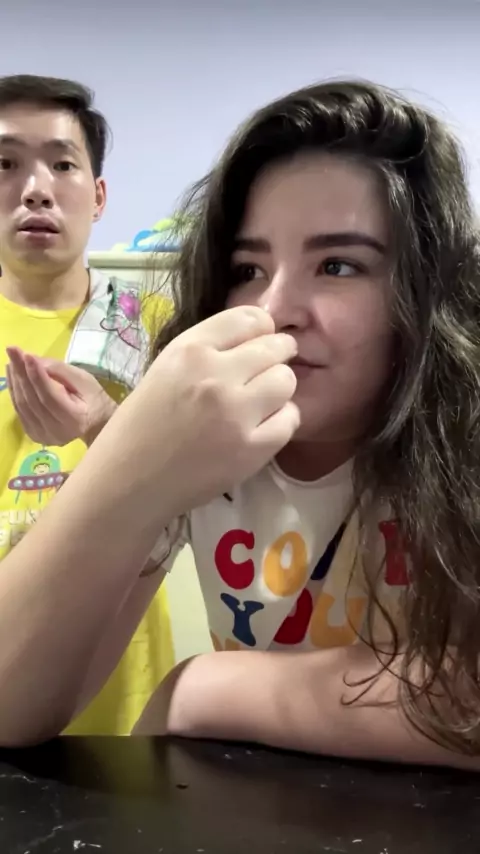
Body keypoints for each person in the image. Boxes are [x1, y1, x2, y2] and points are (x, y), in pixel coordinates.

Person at [4, 79, 480, 771]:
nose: (272, 309)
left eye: (337, 265)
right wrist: (131, 453)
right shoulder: (213, 449)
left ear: (427, 287)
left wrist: (206, 690)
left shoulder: (463, 435)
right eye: (248, 269)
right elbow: (11, 701)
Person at [0, 74, 174, 736]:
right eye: (5, 164)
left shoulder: (156, 328)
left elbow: (200, 498)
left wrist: (105, 428)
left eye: (62, 164)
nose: (36, 189)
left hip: (124, 691)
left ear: (98, 196)